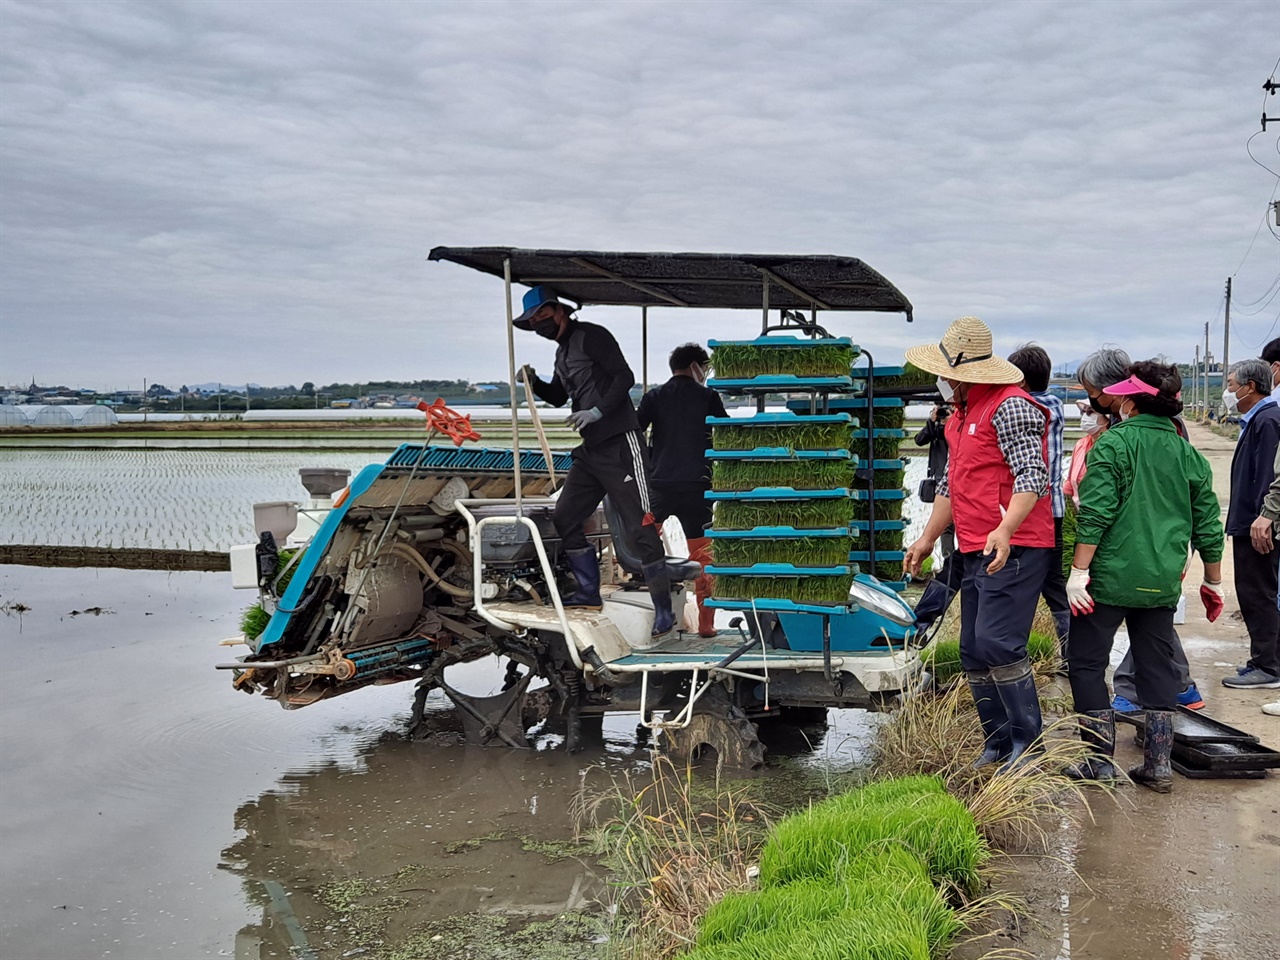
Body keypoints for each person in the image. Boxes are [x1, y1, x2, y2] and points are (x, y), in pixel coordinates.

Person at [902, 316, 1055, 773]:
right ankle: (996, 741)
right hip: (973, 545)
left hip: (1018, 544)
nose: (943, 381)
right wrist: (928, 538)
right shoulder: (961, 414)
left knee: (998, 642)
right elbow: (951, 483)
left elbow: (1034, 475)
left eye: (948, 373)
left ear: (967, 373)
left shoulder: (1011, 407)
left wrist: (1005, 529)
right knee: (971, 646)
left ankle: (1028, 746)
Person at [1065, 361, 1225, 792]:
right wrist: (1213, 582)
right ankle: (1157, 765)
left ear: (1131, 400)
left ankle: (1099, 763)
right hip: (1161, 578)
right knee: (1157, 669)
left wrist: (1078, 572)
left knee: (1085, 663)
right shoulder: (1187, 452)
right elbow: (1208, 522)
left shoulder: (1114, 444)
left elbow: (1096, 513)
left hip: (1109, 577)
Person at [514, 286, 676, 639]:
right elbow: (558, 397)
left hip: (620, 442)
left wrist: (598, 410)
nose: (538, 322)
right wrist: (534, 382)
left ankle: (664, 610)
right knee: (565, 515)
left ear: (558, 311)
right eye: (533, 319)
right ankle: (587, 591)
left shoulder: (592, 336)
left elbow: (625, 377)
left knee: (641, 525)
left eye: (541, 315)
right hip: (591, 451)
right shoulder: (561, 352)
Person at [1078, 347, 1205, 712]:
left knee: (1092, 657)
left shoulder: (1125, 438)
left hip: (1129, 553)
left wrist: (1078, 570)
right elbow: (1203, 512)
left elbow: (1100, 511)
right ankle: (1159, 754)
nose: (1093, 401)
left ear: (1119, 391)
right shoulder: (1163, 434)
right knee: (1154, 642)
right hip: (1159, 553)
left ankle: (1100, 755)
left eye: (1095, 392)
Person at [637, 343, 727, 638]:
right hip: (697, 485)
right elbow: (725, 432)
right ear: (695, 366)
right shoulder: (708, 397)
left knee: (648, 547)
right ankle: (706, 623)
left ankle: (660, 615)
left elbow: (636, 432)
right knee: (703, 555)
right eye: (705, 368)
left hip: (660, 484)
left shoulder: (654, 397)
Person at [1221, 358, 1280, 689]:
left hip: (1259, 525)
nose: (1229, 391)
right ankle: (1266, 660)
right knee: (1256, 591)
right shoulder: (1257, 419)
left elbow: (1270, 477)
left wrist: (1264, 518)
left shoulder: (1268, 420)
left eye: (1231, 385)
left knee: (1257, 593)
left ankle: (1267, 667)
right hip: (1250, 520)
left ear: (1250, 387)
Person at [1008, 344, 1070, 650]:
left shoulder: (1022, 407)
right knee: (1054, 584)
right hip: (1055, 510)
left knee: (1017, 583)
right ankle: (1072, 652)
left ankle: (1011, 650)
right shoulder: (1056, 405)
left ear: (1018, 380)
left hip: (1027, 513)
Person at [914, 402, 955, 558]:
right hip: (941, 481)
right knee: (946, 526)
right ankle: (949, 561)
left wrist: (953, 423)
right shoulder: (936, 429)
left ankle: (961, 563)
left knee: (964, 523)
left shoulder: (959, 426)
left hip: (958, 478)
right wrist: (931, 422)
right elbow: (919, 440)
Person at [1064, 398, 1105, 508]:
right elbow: (1070, 484)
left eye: (1090, 412)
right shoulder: (1081, 444)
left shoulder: (1112, 446)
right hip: (1082, 513)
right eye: (1084, 412)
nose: (1085, 416)